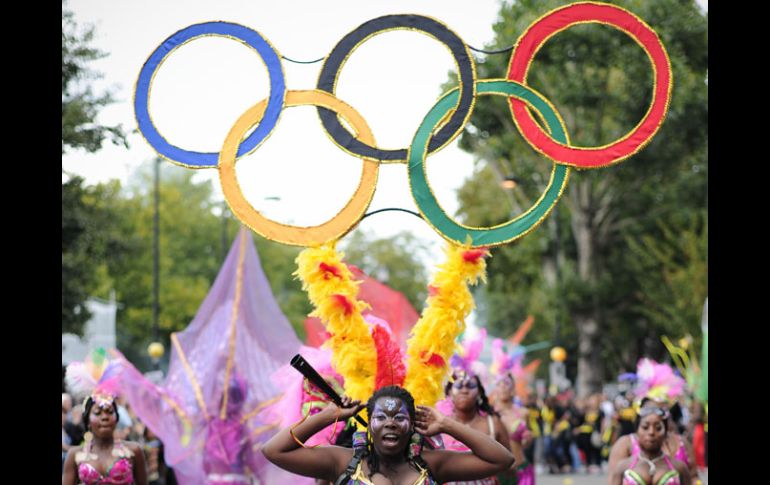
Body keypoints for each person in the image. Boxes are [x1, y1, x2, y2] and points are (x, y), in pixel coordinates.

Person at [262, 385, 514, 484]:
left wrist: (448, 424)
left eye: (400, 418)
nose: (391, 424)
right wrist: (329, 416)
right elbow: (274, 450)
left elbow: (501, 460)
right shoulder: (343, 462)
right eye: (381, 417)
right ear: (369, 424)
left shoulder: (432, 463)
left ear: (413, 425)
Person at [62, 391, 148, 485]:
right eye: (97, 413)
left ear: (117, 419)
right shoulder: (74, 455)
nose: (104, 417)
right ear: (87, 421)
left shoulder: (134, 450)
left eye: (110, 412)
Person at [609, 403, 690, 485]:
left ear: (665, 433)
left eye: (658, 428)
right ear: (637, 432)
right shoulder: (623, 467)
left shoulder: (680, 468)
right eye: (645, 427)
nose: (651, 432)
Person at [493, 372, 533, 485]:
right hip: (498, 473)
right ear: (495, 389)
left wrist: (528, 439)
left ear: (512, 389)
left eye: (506, 383)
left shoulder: (523, 413)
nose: (503, 387)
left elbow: (526, 443)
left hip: (522, 469)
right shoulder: (489, 415)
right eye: (499, 384)